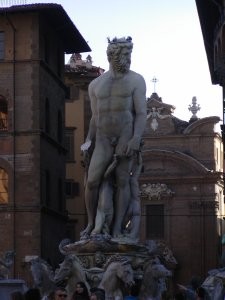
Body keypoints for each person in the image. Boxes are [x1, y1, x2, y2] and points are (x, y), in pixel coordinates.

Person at [81, 36, 147, 239]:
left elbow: (141, 113)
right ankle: (92, 224)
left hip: (124, 138)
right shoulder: (95, 85)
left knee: (122, 182)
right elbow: (94, 117)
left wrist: (136, 138)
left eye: (130, 54)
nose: (129, 58)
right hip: (102, 139)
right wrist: (87, 141)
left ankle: (117, 228)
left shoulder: (136, 80)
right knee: (91, 182)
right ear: (114, 56)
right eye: (126, 54)